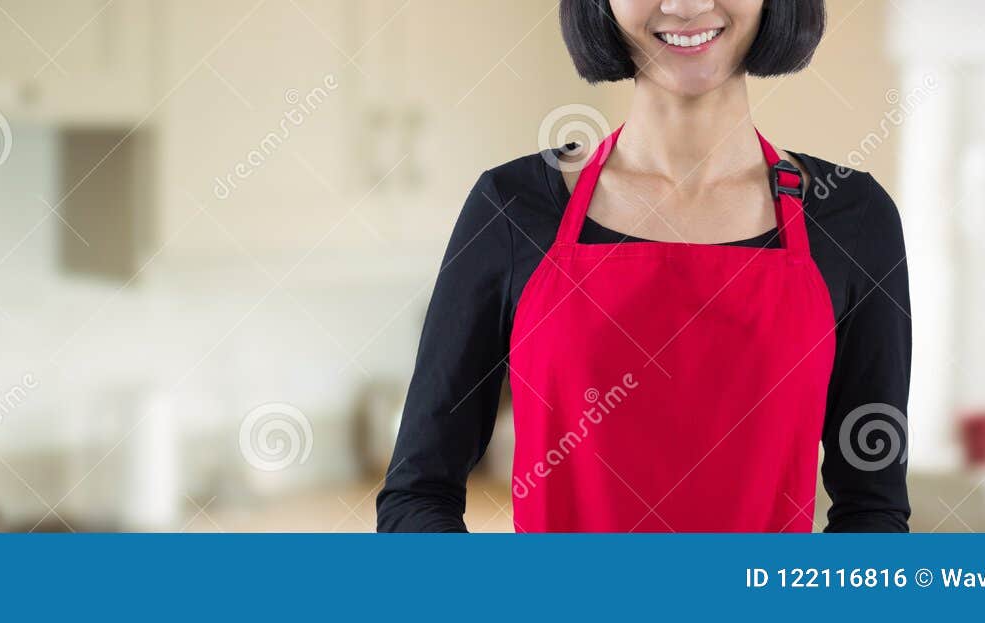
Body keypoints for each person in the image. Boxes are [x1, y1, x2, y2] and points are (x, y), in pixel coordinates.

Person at [377, 0, 910, 532]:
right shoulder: (512, 209)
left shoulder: (854, 219)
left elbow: (872, 511)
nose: (687, 5)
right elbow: (418, 494)